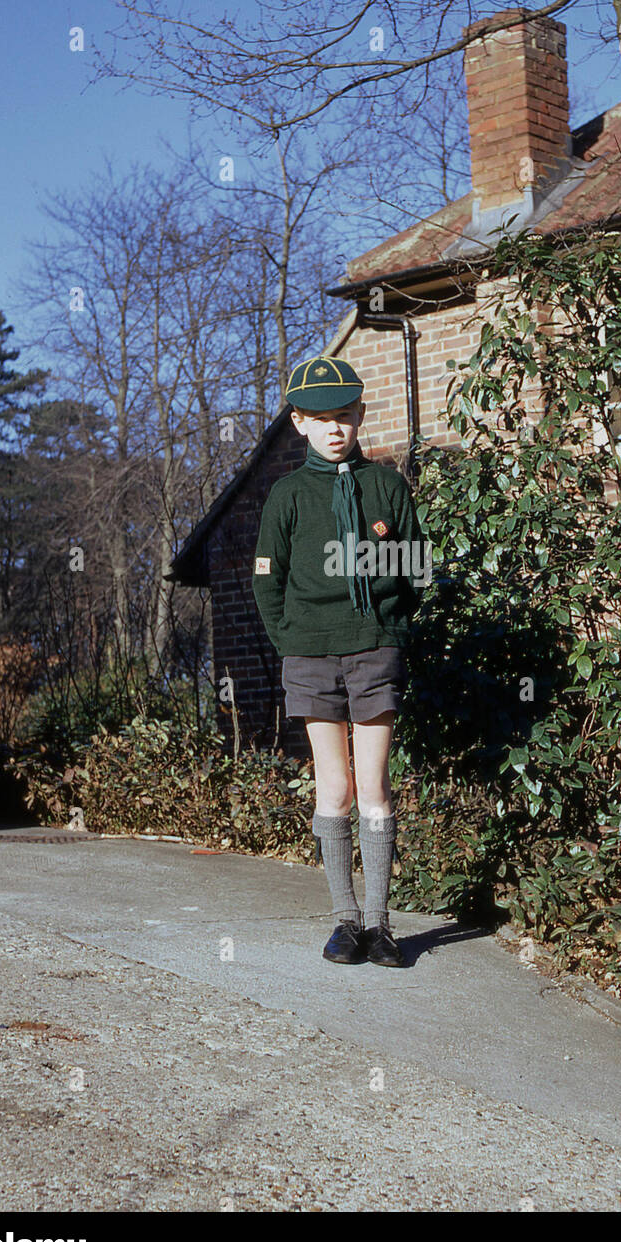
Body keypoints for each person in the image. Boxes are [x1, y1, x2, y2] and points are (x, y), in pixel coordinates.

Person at [252, 356, 429, 968]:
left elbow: (414, 569)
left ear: (360, 416)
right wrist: (289, 639)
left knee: (374, 786)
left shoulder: (386, 485)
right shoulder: (288, 495)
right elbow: (266, 580)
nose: (334, 429)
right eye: (320, 418)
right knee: (336, 785)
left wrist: (389, 629)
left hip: (373, 649)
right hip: (309, 654)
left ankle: (381, 926)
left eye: (345, 416)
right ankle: (344, 923)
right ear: (299, 423)